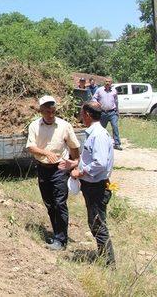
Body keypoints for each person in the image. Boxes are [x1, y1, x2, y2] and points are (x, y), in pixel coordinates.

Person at [26, 95, 81, 250]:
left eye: (53, 111)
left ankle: (61, 239)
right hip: (43, 168)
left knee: (60, 203)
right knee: (49, 203)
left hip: (60, 168)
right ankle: (57, 233)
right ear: (41, 111)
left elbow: (74, 146)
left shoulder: (64, 126)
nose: (50, 114)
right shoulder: (34, 126)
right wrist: (46, 153)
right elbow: (30, 147)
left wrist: (75, 164)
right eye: (47, 111)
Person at [68, 101, 116, 267]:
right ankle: (105, 259)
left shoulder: (98, 135)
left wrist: (80, 172)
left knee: (98, 224)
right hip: (93, 186)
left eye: (82, 113)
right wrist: (75, 165)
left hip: (97, 187)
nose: (80, 116)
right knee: (95, 223)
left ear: (87, 114)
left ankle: (109, 265)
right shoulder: (94, 133)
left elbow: (100, 163)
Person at [92, 78, 122, 150]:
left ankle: (117, 144)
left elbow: (116, 101)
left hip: (112, 112)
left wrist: (117, 111)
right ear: (104, 82)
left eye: (109, 81)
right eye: (106, 81)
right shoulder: (99, 90)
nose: (107, 83)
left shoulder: (114, 91)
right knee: (101, 129)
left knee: (115, 127)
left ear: (111, 83)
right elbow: (94, 98)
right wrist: (96, 103)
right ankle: (99, 143)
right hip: (103, 113)